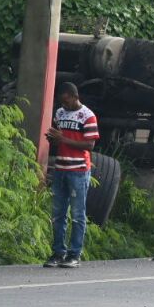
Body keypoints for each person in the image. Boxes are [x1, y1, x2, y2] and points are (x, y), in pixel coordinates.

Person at [44, 82, 100, 268]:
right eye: (62, 102)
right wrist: (53, 138)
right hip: (60, 168)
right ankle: (58, 252)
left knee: (77, 214)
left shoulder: (88, 116)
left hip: (78, 171)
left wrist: (63, 139)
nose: (64, 105)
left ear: (74, 96)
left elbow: (89, 145)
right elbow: (59, 139)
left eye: (66, 101)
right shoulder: (59, 113)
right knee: (58, 213)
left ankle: (74, 254)